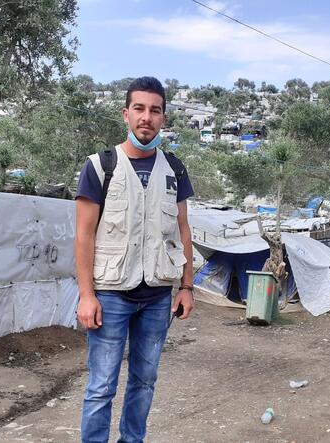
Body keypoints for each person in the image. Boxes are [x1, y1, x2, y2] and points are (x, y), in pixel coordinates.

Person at [75, 76, 195, 443]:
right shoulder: (100, 166)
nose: (147, 117)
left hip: (158, 296)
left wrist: (187, 287)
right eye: (139, 109)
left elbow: (184, 230)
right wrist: (86, 295)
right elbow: (84, 235)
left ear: (164, 118)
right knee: (101, 386)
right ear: (126, 114)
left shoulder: (174, 169)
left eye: (155, 110)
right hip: (110, 295)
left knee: (144, 382)